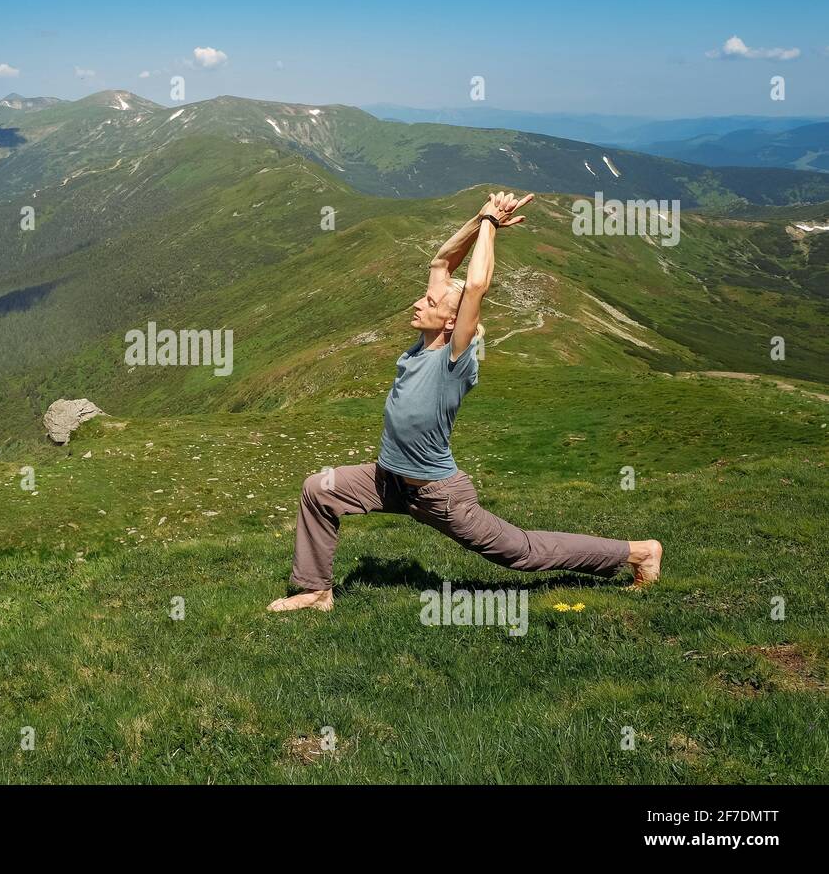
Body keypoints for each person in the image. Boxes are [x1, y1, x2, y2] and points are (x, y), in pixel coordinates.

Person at [269, 191, 662, 613]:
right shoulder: (423, 344)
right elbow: (441, 263)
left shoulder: (454, 359)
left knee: (521, 552)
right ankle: (316, 591)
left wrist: (491, 226)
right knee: (318, 488)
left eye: (431, 302)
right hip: (388, 481)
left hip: (437, 494)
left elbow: (476, 285)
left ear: (455, 321)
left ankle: (638, 552)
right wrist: (478, 218)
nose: (419, 302)